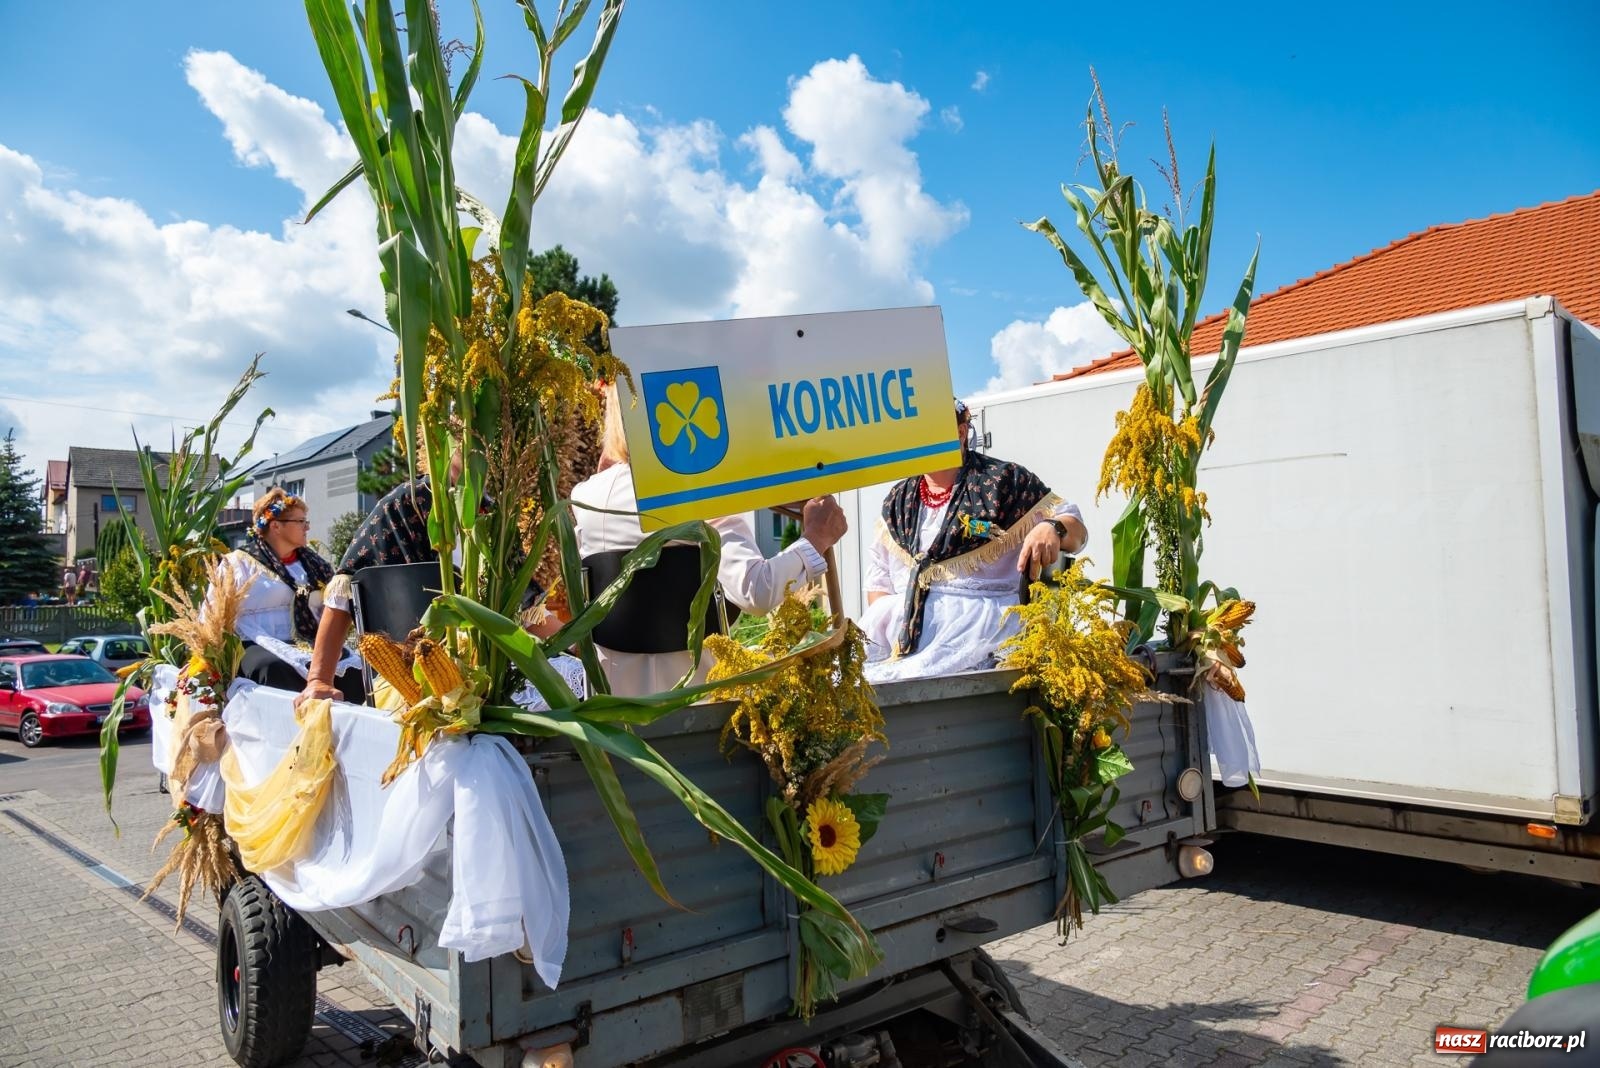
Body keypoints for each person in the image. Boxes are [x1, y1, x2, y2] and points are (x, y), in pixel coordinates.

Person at [569, 383, 848, 697]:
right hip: (697, 701)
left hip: (609, 708)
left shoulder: (584, 498)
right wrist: (815, 539)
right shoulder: (701, 494)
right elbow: (756, 591)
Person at [858, 399, 1088, 684]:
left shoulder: (1003, 482)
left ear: (960, 433)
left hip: (979, 633)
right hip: (901, 638)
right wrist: (899, 626)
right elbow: (879, 583)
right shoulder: (899, 500)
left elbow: (1077, 532)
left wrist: (1052, 527)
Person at [209, 488, 363, 701]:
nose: (307, 527)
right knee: (273, 668)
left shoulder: (313, 564)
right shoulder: (239, 562)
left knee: (353, 670)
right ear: (276, 526)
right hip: (255, 640)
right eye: (300, 521)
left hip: (308, 641)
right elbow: (212, 612)